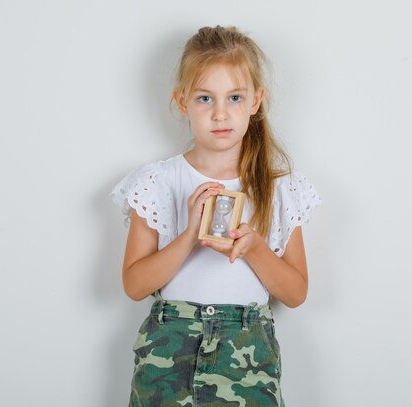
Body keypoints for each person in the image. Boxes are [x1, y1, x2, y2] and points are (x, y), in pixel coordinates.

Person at [110, 25, 323, 407]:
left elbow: (295, 293)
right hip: (168, 349)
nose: (221, 113)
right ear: (182, 102)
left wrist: (255, 248)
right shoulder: (158, 182)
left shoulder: (279, 188)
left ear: (256, 101)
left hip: (247, 349)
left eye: (235, 97)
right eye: (205, 98)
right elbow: (134, 285)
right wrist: (188, 236)